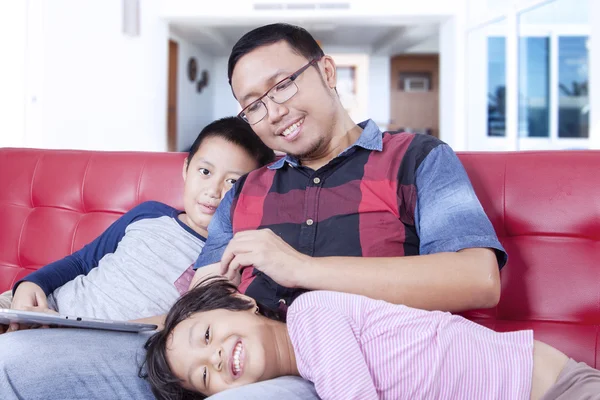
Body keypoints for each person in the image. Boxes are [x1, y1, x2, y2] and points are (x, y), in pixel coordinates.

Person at [0, 23, 506, 400]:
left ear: (326, 72)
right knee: (14, 361)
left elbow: (478, 278)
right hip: (221, 361)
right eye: (253, 105)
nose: (274, 111)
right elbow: (203, 297)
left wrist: (303, 269)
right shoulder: (245, 192)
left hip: (337, 369)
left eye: (282, 85)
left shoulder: (417, 159)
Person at [0, 116, 275, 333]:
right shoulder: (150, 214)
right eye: (205, 172)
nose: (214, 191)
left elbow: (179, 326)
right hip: (38, 303)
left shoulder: (228, 261)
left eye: (232, 182)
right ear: (186, 169)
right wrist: (30, 284)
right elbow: (81, 262)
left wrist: (68, 329)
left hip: (82, 335)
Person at [144, 276, 600, 400]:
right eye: (204, 376)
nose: (217, 359)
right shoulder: (312, 380)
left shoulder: (310, 314)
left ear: (243, 303)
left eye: (207, 334)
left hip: (550, 388)